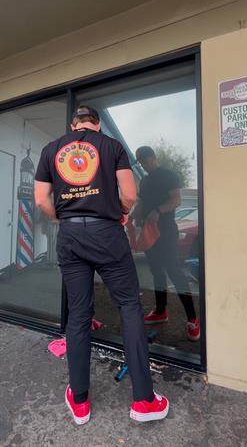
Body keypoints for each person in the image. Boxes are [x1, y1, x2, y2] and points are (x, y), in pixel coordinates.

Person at [34, 106, 169, 425]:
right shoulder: (111, 146)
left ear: (74, 125)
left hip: (70, 234)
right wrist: (119, 212)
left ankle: (79, 402)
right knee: (129, 306)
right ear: (97, 124)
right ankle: (144, 402)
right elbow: (130, 194)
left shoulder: (51, 149)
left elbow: (41, 199)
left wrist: (61, 218)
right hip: (107, 232)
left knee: (79, 314)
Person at [133, 146, 200, 341]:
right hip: (149, 232)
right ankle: (161, 311)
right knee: (156, 271)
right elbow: (141, 204)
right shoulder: (144, 181)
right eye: (141, 162)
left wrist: (159, 211)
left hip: (167, 231)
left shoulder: (168, 175)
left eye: (147, 160)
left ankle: (193, 318)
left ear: (154, 157)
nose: (145, 165)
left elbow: (176, 200)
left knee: (174, 272)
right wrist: (129, 216)